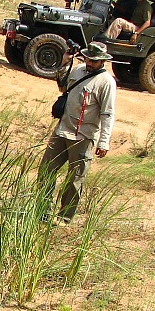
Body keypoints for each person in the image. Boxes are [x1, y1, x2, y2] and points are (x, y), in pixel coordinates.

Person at [38, 41, 117, 224]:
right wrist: (65, 63)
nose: (90, 63)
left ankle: (64, 218)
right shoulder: (78, 70)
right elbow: (63, 88)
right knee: (46, 171)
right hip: (62, 131)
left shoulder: (106, 82)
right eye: (88, 59)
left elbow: (108, 113)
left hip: (83, 136)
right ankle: (43, 212)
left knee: (75, 179)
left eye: (94, 61)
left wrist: (104, 142)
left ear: (102, 61)